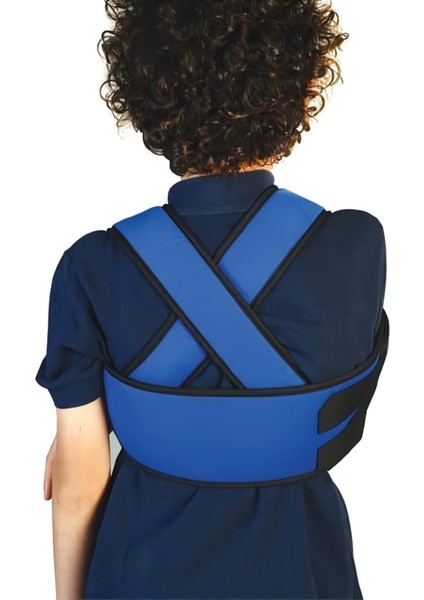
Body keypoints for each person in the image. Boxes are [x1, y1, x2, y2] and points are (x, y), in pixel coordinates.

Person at [36, 1, 388, 598]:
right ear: (305, 86)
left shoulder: (94, 267)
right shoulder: (355, 245)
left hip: (141, 570)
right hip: (303, 567)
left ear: (146, 93)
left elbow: (77, 485)